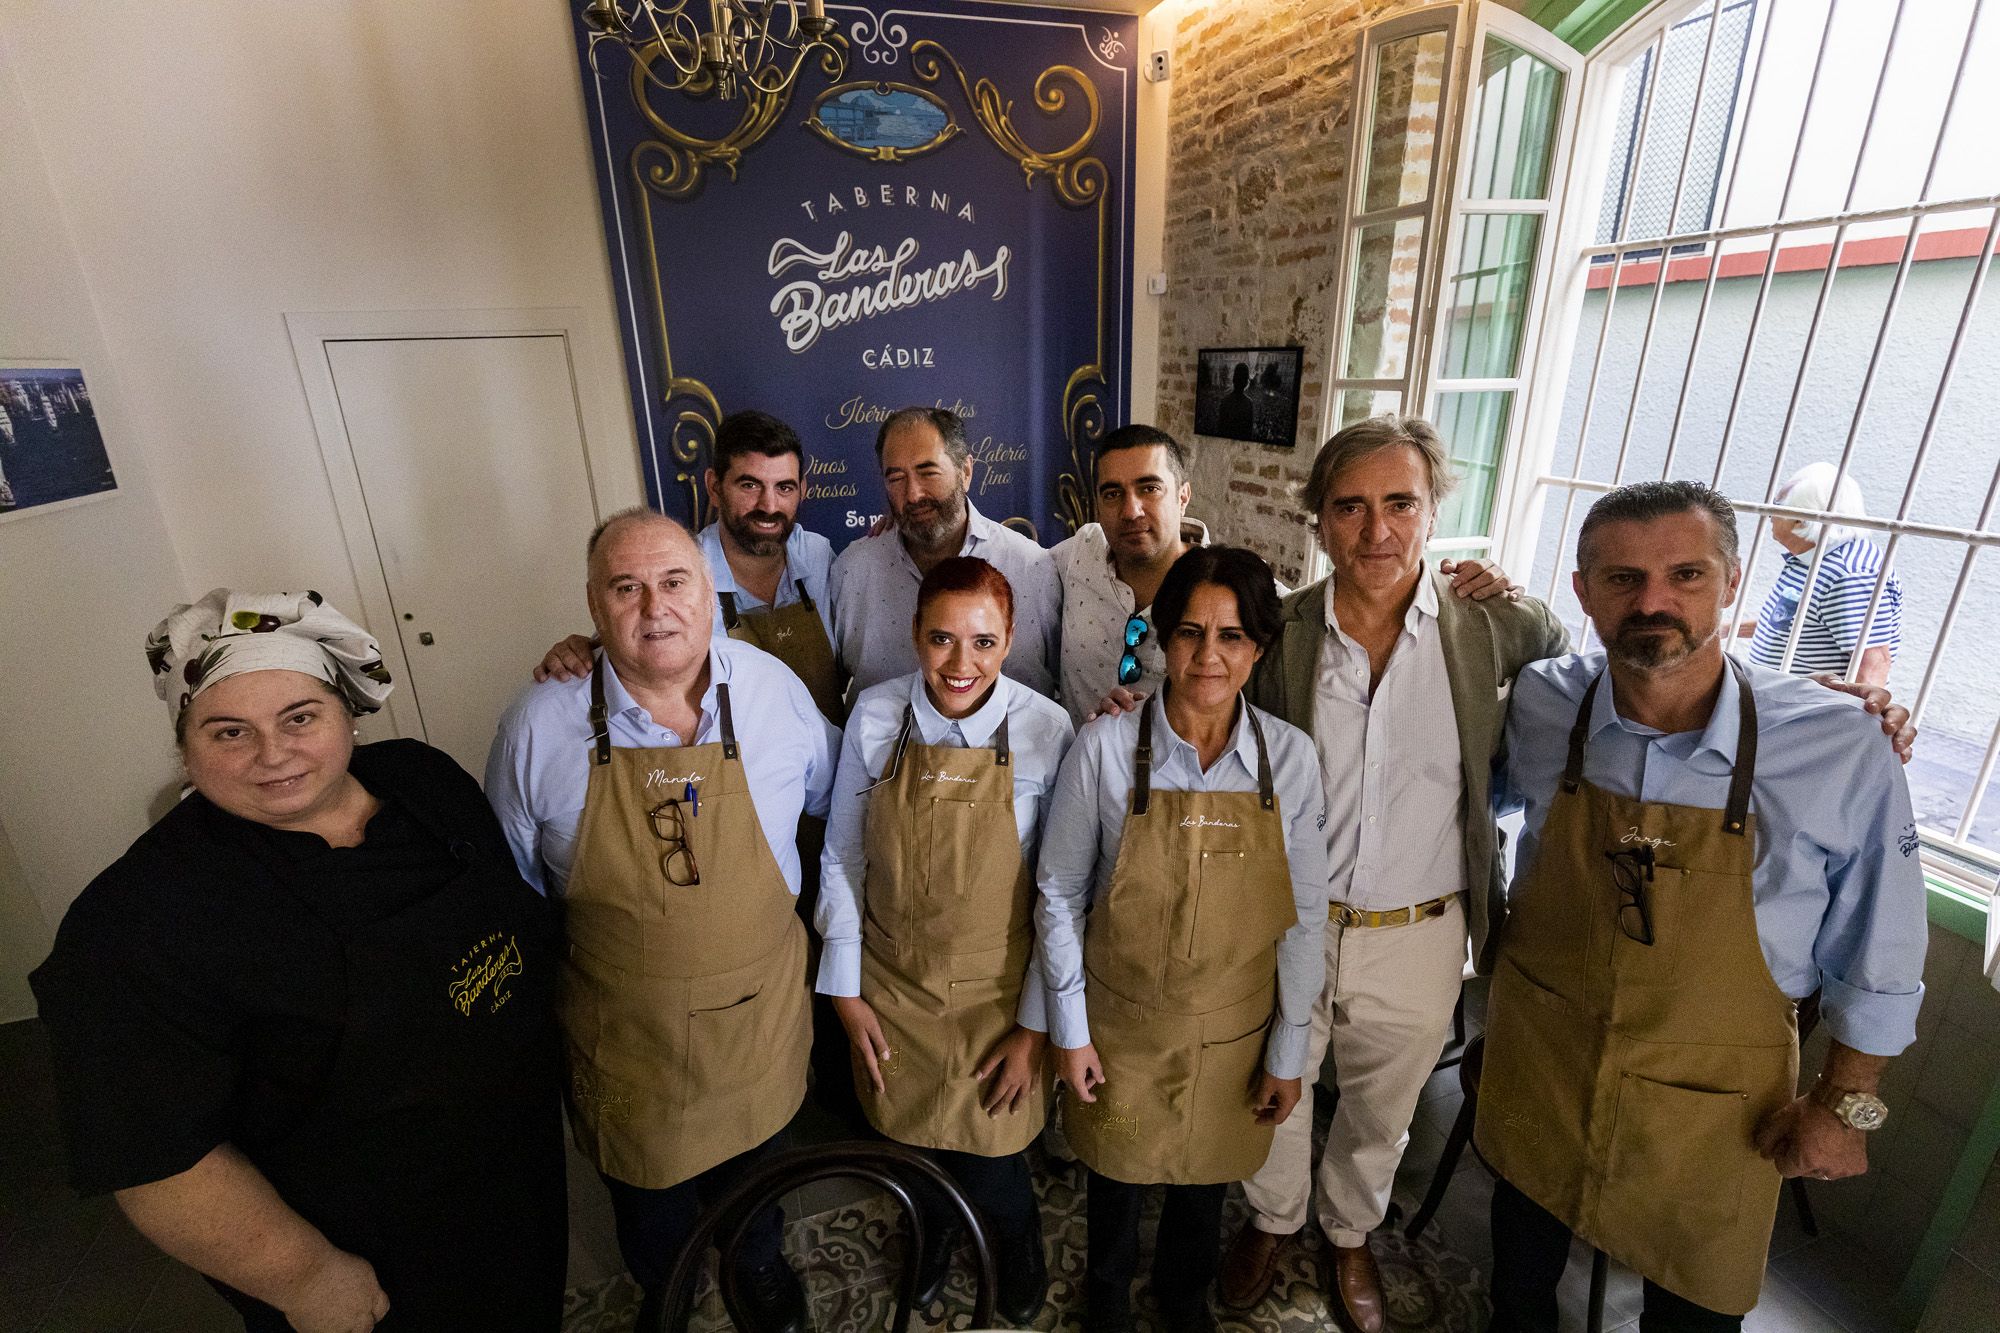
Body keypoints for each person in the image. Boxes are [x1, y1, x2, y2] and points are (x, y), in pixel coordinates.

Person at [31, 589, 566, 1331]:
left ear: (347, 710)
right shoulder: (136, 924)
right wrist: (306, 1276)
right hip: (363, 1250)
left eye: (299, 717)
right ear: (185, 746)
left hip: (511, 1178)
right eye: (228, 732)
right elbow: (158, 1159)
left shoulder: (426, 781)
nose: (273, 754)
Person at [1480, 480, 1927, 1331]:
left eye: (1685, 574)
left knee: (1691, 1310)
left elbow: (1884, 946)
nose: (1654, 602)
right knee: (1519, 1283)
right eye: (1621, 579)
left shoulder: (1838, 744)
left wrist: (1843, 1106)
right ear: (1583, 591)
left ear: (1733, 580)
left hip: (1716, 1110)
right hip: (1541, 1062)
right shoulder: (1543, 701)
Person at [1208, 415, 1565, 1331]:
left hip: (1424, 926)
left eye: (1399, 503)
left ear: (1434, 508)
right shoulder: (1279, 634)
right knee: (1273, 1090)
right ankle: (1274, 1216)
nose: (1377, 532)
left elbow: (1593, 671)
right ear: (1319, 521)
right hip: (1292, 920)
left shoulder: (1496, 627)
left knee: (1385, 1104)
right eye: (1351, 508)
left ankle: (1350, 1228)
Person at [486, 509, 838, 1333]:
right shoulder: (537, 727)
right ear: (593, 603)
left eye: (675, 581)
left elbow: (837, 799)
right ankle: (667, 1288)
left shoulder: (772, 691)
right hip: (629, 1036)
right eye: (627, 587)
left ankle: (759, 1267)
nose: (656, 607)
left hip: (761, 1017)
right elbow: (513, 888)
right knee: (650, 1202)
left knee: (761, 1179)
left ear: (707, 594)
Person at [1037, 545, 1330, 1333]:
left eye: (1232, 636)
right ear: (1161, 638)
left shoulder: (1291, 762)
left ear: (1259, 647)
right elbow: (1059, 892)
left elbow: (1304, 912)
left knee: (1207, 1177)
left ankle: (1182, 1292)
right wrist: (1069, 1030)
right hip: (1121, 1027)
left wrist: (1289, 1048)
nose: (1209, 656)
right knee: (1117, 1174)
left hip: (1234, 1027)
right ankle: (1105, 1297)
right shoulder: (1103, 748)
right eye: (1190, 632)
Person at [816, 556, 1074, 1323]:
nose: (961, 664)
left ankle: (1014, 1235)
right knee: (912, 1147)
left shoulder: (1046, 729)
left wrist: (1035, 1029)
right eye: (941, 638)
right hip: (892, 985)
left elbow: (1058, 893)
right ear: (914, 633)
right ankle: (930, 1228)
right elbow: (843, 856)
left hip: (999, 992)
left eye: (984, 641)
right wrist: (845, 990)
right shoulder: (874, 715)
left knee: (992, 1156)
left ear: (1011, 636)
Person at [534, 408, 843, 721]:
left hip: (828, 758)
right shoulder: (679, 570)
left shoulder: (821, 557)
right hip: (731, 763)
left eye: (784, 487)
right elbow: (624, 648)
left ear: (802, 490)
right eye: (749, 485)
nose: (768, 505)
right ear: (714, 487)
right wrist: (580, 650)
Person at [828, 406, 1061, 699]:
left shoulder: (1032, 567)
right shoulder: (852, 571)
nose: (913, 494)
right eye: (896, 478)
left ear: (965, 472)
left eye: (928, 473)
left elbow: (1065, 687)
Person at [1050, 424, 1212, 728]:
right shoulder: (1080, 554)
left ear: (1183, 496)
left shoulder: (1226, 589)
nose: (1130, 511)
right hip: (1074, 766)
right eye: (1112, 493)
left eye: (1149, 488)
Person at [1743, 461, 1902, 686]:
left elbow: (1872, 664)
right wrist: (1725, 630)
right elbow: (1793, 623)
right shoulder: (1812, 557)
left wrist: (1857, 717)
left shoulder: (1849, 575)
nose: (1769, 513)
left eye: (1777, 504)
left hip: (1806, 713)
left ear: (1800, 519)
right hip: (1779, 702)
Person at [1215, 362, 1256, 439]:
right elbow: (1249, 433)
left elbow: (1220, 429)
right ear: (1246, 381)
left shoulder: (1224, 401)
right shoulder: (1249, 403)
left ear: (1234, 379)